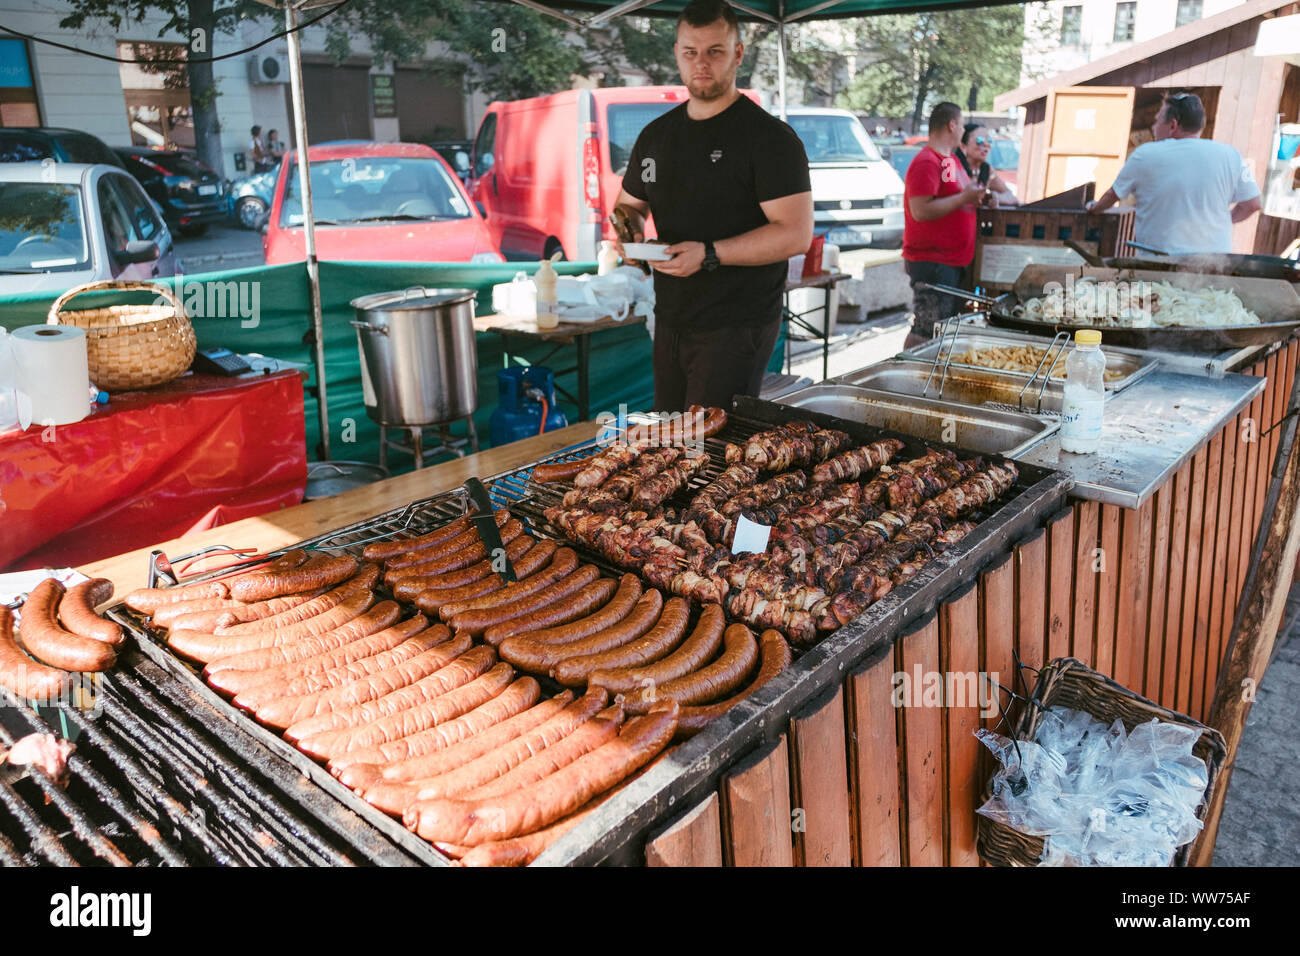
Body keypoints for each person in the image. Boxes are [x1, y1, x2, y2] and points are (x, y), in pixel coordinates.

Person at [612, 0, 813, 412]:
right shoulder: (655, 136)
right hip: (670, 316)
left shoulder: (770, 139)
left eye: (714, 51)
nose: (701, 63)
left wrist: (708, 255)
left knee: (709, 451)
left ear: (738, 53)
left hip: (738, 322)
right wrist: (627, 238)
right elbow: (628, 207)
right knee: (669, 442)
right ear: (677, 55)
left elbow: (795, 233)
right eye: (690, 52)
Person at [1086, 93, 1262, 254]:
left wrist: (1095, 208)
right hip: (1213, 263)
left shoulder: (1145, 154)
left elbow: (1112, 195)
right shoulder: (1230, 154)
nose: (1154, 127)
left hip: (1159, 264)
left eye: (1157, 121)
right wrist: (1219, 223)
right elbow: (1253, 204)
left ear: (1173, 125)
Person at [902, 102, 987, 347]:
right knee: (926, 329)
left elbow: (957, 198)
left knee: (940, 328)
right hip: (933, 261)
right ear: (952, 125)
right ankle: (908, 375)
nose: (962, 130)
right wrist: (964, 197)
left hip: (950, 260)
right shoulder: (927, 161)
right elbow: (920, 210)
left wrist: (976, 198)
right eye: (961, 125)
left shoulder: (951, 160)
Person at [955, 124, 1018, 208]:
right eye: (980, 140)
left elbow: (1011, 197)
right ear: (963, 146)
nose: (986, 144)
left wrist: (993, 198)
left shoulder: (986, 170)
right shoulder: (953, 167)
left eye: (989, 140)